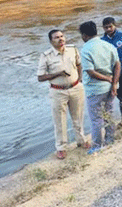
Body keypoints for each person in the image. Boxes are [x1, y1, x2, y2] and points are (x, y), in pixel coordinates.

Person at [37, 29, 90, 160]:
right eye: (56, 37)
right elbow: (40, 77)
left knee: (78, 116)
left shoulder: (73, 50)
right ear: (51, 41)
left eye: (62, 36)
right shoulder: (46, 56)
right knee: (59, 120)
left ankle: (81, 140)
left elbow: (79, 65)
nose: (60, 39)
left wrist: (80, 80)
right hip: (57, 91)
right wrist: (57, 74)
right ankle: (61, 148)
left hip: (76, 87)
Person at [79, 21, 121, 154]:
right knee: (109, 113)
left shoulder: (86, 49)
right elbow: (117, 65)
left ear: (84, 35)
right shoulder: (107, 45)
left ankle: (97, 145)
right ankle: (110, 140)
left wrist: (107, 78)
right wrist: (114, 82)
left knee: (96, 118)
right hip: (110, 87)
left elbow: (90, 72)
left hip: (95, 89)